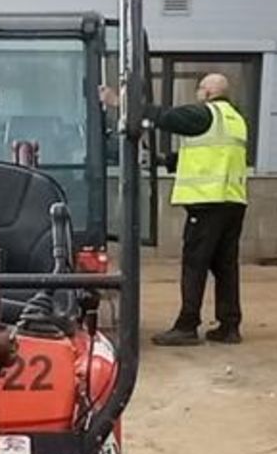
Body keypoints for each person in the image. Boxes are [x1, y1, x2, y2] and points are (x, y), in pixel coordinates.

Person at [101, 73, 248, 345]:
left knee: (195, 264)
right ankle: (229, 326)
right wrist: (161, 160)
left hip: (207, 204)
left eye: (200, 89)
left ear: (206, 92)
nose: (198, 94)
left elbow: (165, 117)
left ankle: (187, 325)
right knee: (225, 266)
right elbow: (207, 157)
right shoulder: (235, 120)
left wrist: (119, 103)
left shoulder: (205, 114)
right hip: (233, 202)